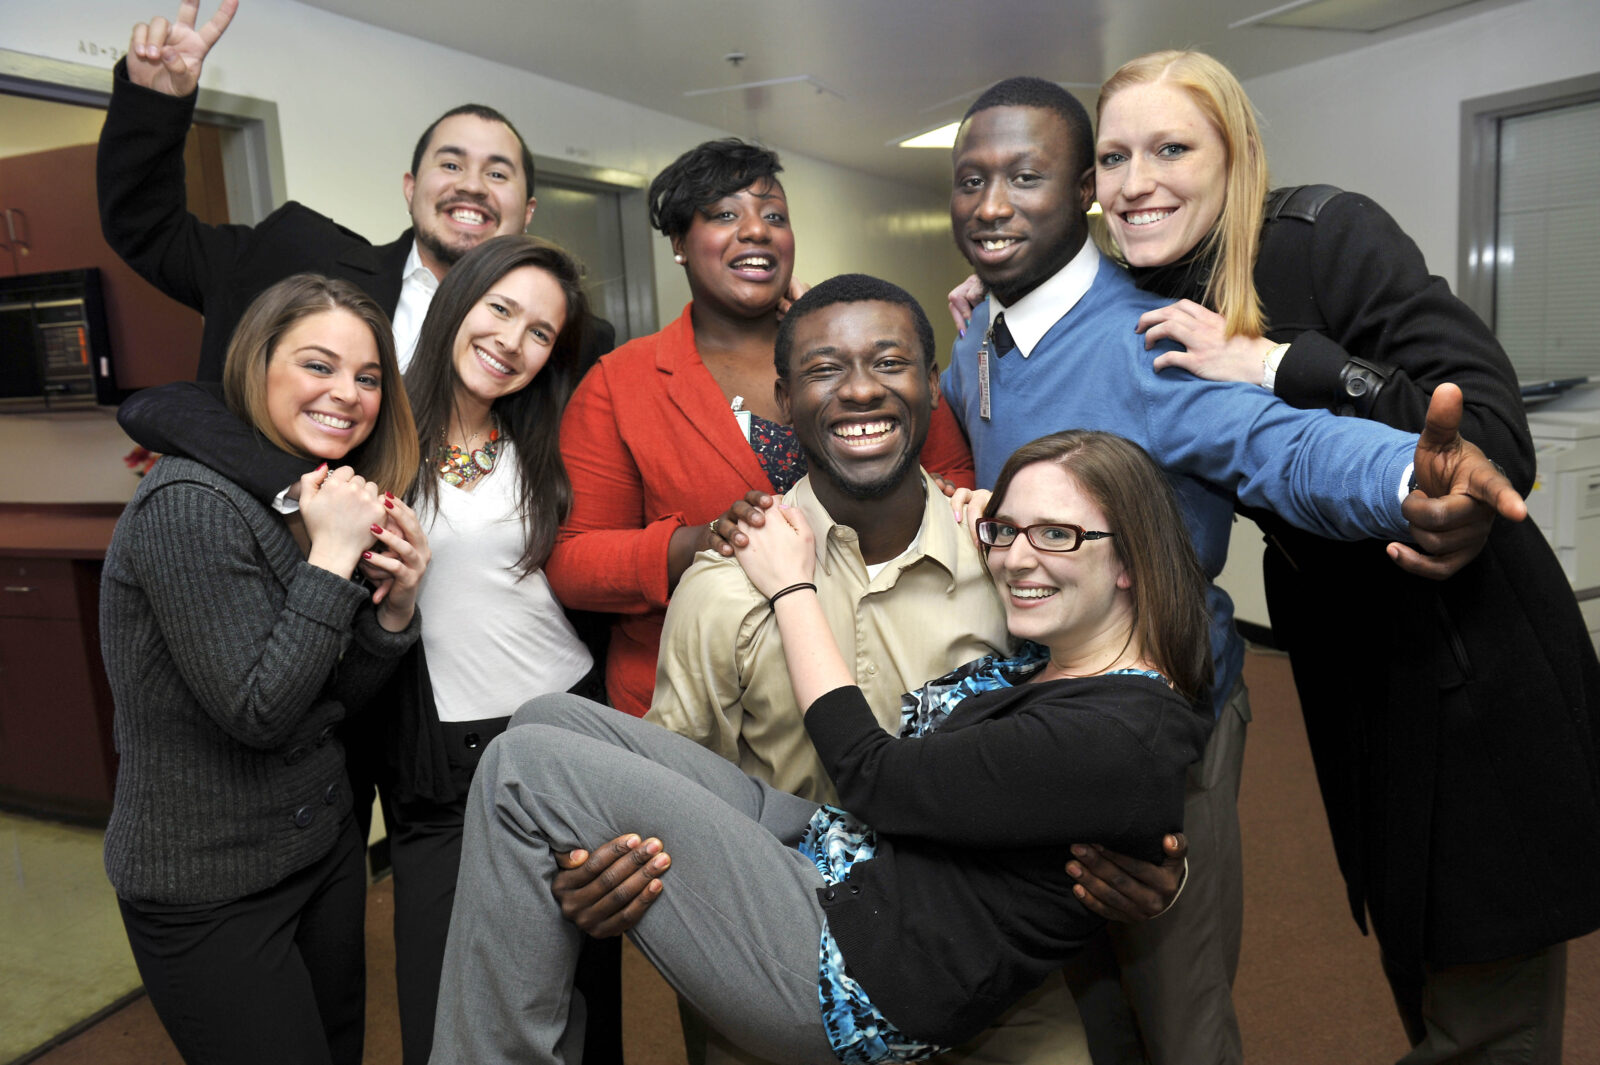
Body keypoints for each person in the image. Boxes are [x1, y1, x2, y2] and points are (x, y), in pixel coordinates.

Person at [937, 76, 1527, 1065]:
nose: (992, 204)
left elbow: (1282, 447)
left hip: (1164, 717)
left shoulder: (1148, 340)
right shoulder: (977, 344)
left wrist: (1400, 477)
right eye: (970, 179)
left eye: (1025, 176)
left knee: (1177, 1012)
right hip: (1044, 717)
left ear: (1076, 191)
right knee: (1075, 998)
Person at [1080, 50, 1597, 1063]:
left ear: (1235, 160)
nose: (1135, 181)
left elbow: (1492, 433)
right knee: (1417, 947)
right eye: (1111, 157)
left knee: (1482, 995)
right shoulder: (1127, 297)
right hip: (1345, 657)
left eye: (1170, 148)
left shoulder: (1322, 238)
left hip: (1465, 649)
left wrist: (1271, 362)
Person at [429, 425, 1216, 1065]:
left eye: (1058, 533)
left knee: (518, 767)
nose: (1015, 557)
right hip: (841, 862)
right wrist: (1004, 534)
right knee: (546, 718)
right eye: (1006, 532)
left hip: (853, 968)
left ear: (1131, 560)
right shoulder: (1059, 666)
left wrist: (791, 586)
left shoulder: (1118, 731)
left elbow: (874, 777)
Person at [555, 274, 1188, 1065]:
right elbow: (676, 795)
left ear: (931, 387)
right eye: (825, 370)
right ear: (784, 399)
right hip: (786, 954)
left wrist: (1159, 867)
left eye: (890, 362)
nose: (861, 390)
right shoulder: (723, 589)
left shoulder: (1013, 570)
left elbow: (1102, 729)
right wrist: (602, 871)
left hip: (985, 979)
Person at [111, 236, 623, 1065]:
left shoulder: (552, 430)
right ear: (453, 305)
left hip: (572, 721)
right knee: (452, 1015)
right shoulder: (371, 440)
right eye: (499, 309)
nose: (513, 340)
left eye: (541, 331)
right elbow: (169, 408)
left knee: (582, 989)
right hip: (437, 757)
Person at [98, 274, 428, 1065]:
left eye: (369, 376)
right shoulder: (190, 502)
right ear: (259, 365)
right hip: (208, 889)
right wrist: (336, 555)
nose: (346, 394)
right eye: (318, 365)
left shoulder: (301, 498)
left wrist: (394, 610)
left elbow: (326, 700)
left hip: (319, 856)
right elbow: (260, 711)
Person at [545, 139, 974, 719]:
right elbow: (573, 564)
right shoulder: (620, 383)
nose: (757, 231)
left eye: (774, 216)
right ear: (678, 243)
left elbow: (950, 478)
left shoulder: (860, 356)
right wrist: (694, 544)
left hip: (895, 681)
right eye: (725, 215)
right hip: (706, 707)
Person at [101, 0, 612, 379]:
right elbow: (149, 230)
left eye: (498, 174)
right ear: (411, 189)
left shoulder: (574, 340)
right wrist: (154, 105)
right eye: (451, 163)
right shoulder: (292, 260)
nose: (472, 186)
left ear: (527, 212)